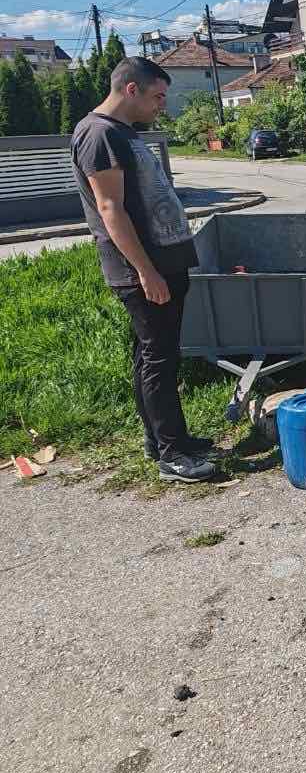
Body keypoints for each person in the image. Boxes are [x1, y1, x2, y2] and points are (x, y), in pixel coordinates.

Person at [71, 57, 216, 483]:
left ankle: (165, 439)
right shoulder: (98, 134)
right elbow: (110, 209)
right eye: (158, 96)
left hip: (163, 262)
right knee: (159, 359)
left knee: (153, 354)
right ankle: (172, 453)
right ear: (131, 89)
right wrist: (146, 272)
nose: (161, 105)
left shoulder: (122, 131)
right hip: (144, 269)